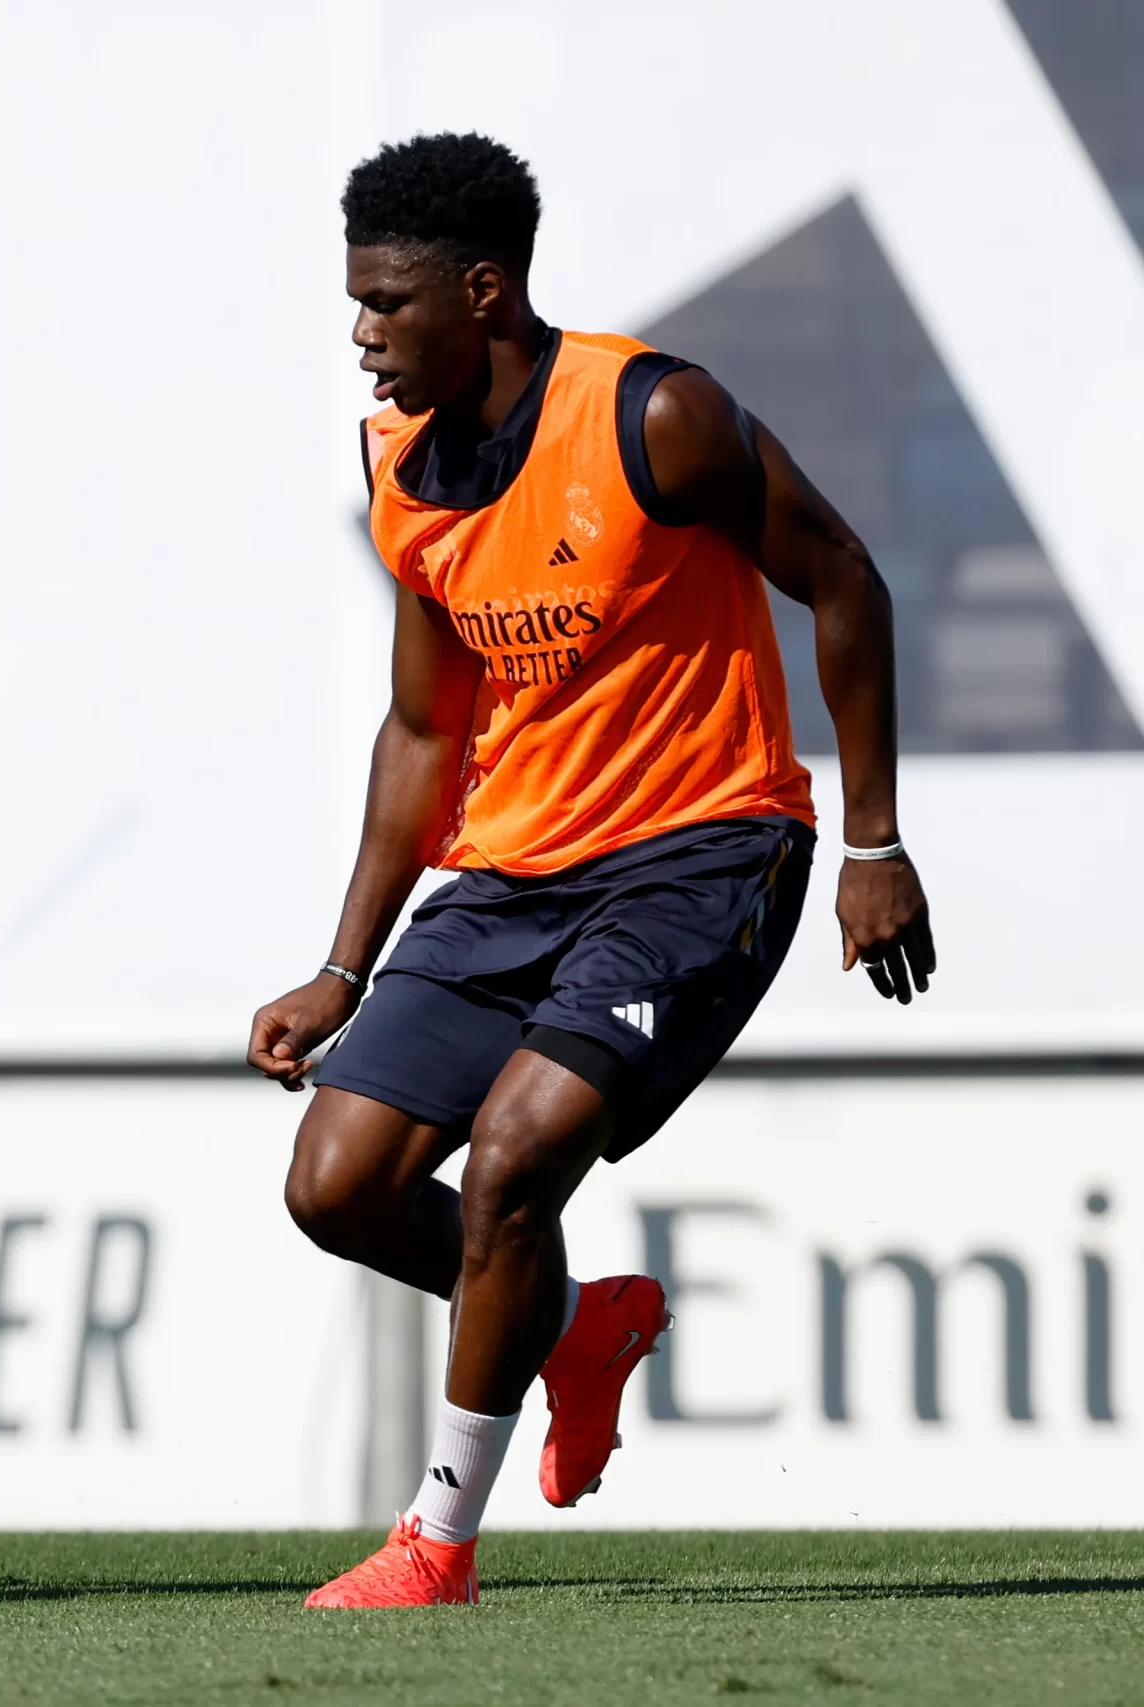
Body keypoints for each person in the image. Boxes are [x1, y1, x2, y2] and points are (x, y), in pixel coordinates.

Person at [247, 133, 934, 1609]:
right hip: (511, 870)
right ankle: (575, 1325)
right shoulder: (398, 463)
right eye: (352, 299)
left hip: (705, 849)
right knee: (336, 1183)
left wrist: (873, 839)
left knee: (512, 1156)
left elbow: (845, 576)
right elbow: (427, 729)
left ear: (484, 292)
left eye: (386, 301)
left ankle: (435, 1542)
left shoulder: (654, 416)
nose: (360, 332)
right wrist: (343, 963)